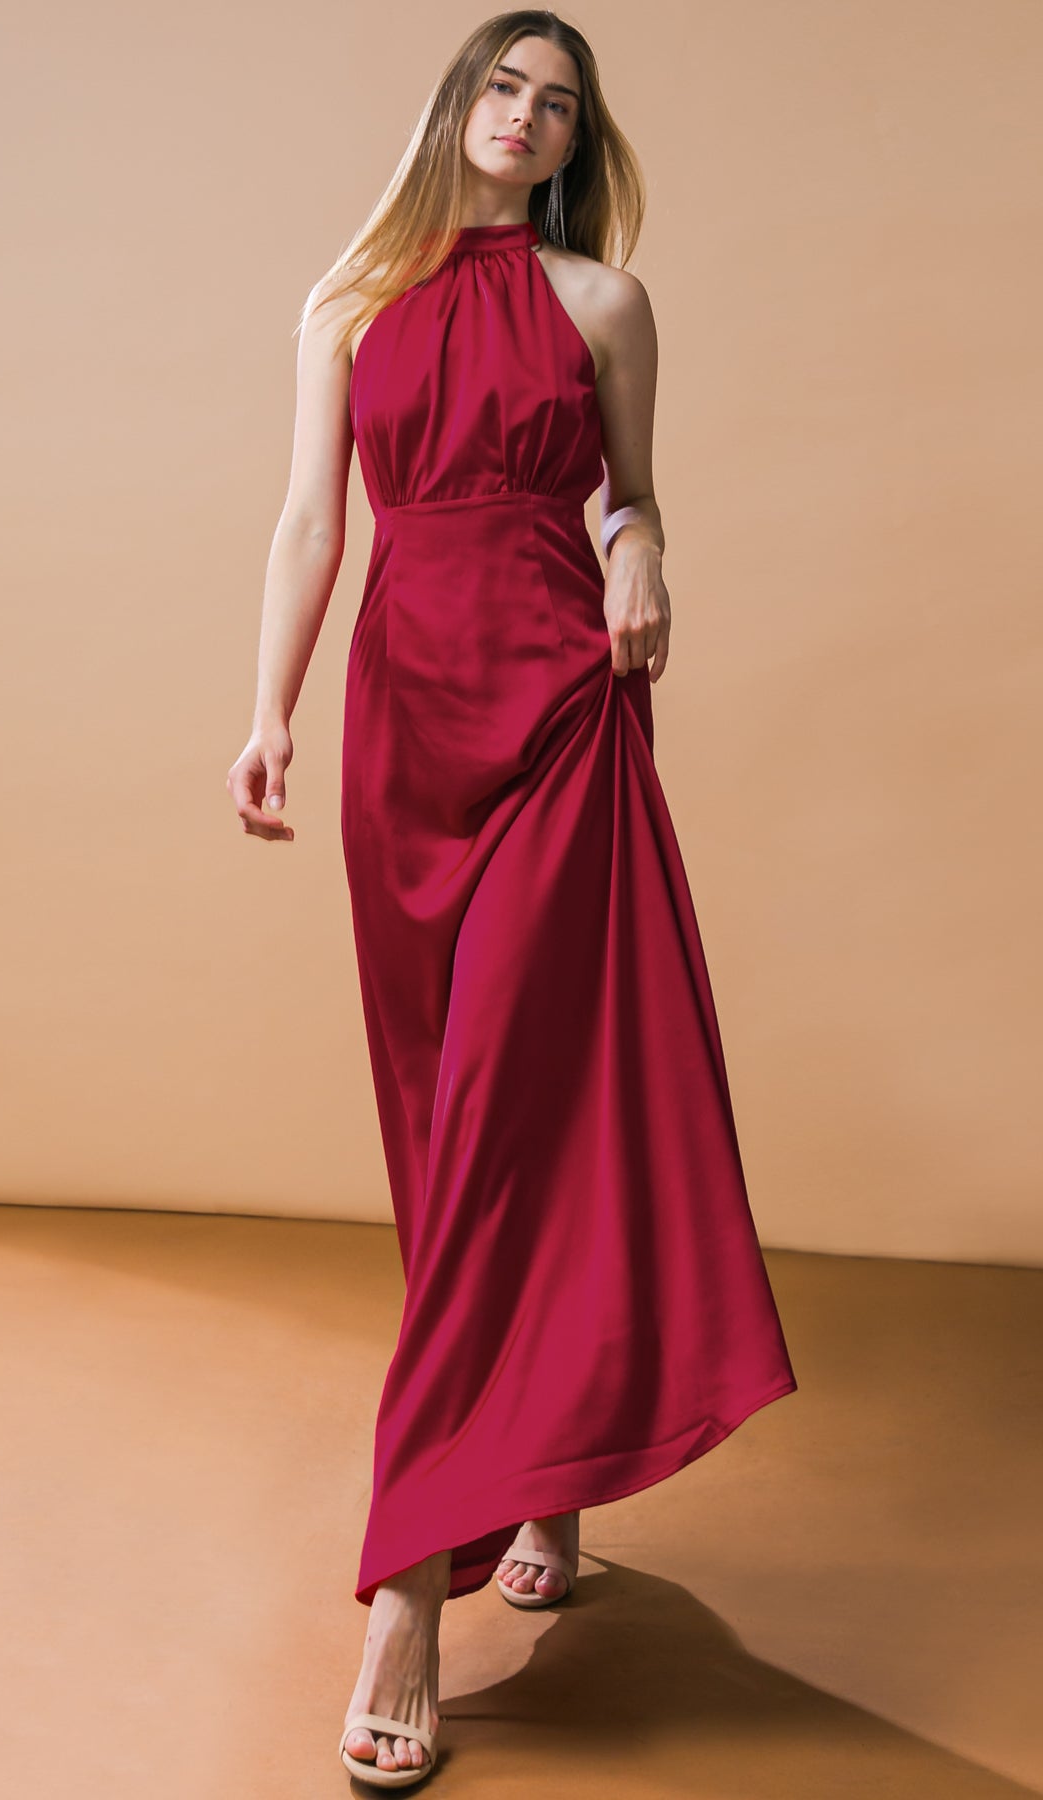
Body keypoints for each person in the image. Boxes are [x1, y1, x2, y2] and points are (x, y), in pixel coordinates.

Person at [225, 10, 798, 1789]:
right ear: (456, 105)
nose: (527, 118)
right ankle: (538, 1475)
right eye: (504, 85)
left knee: (507, 1118)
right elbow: (312, 523)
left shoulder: (604, 307)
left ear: (573, 143)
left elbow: (637, 499)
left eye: (558, 105)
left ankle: (410, 1581)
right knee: (441, 1128)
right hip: (408, 725)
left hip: (562, 712)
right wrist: (269, 713)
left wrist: (642, 558)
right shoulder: (349, 302)